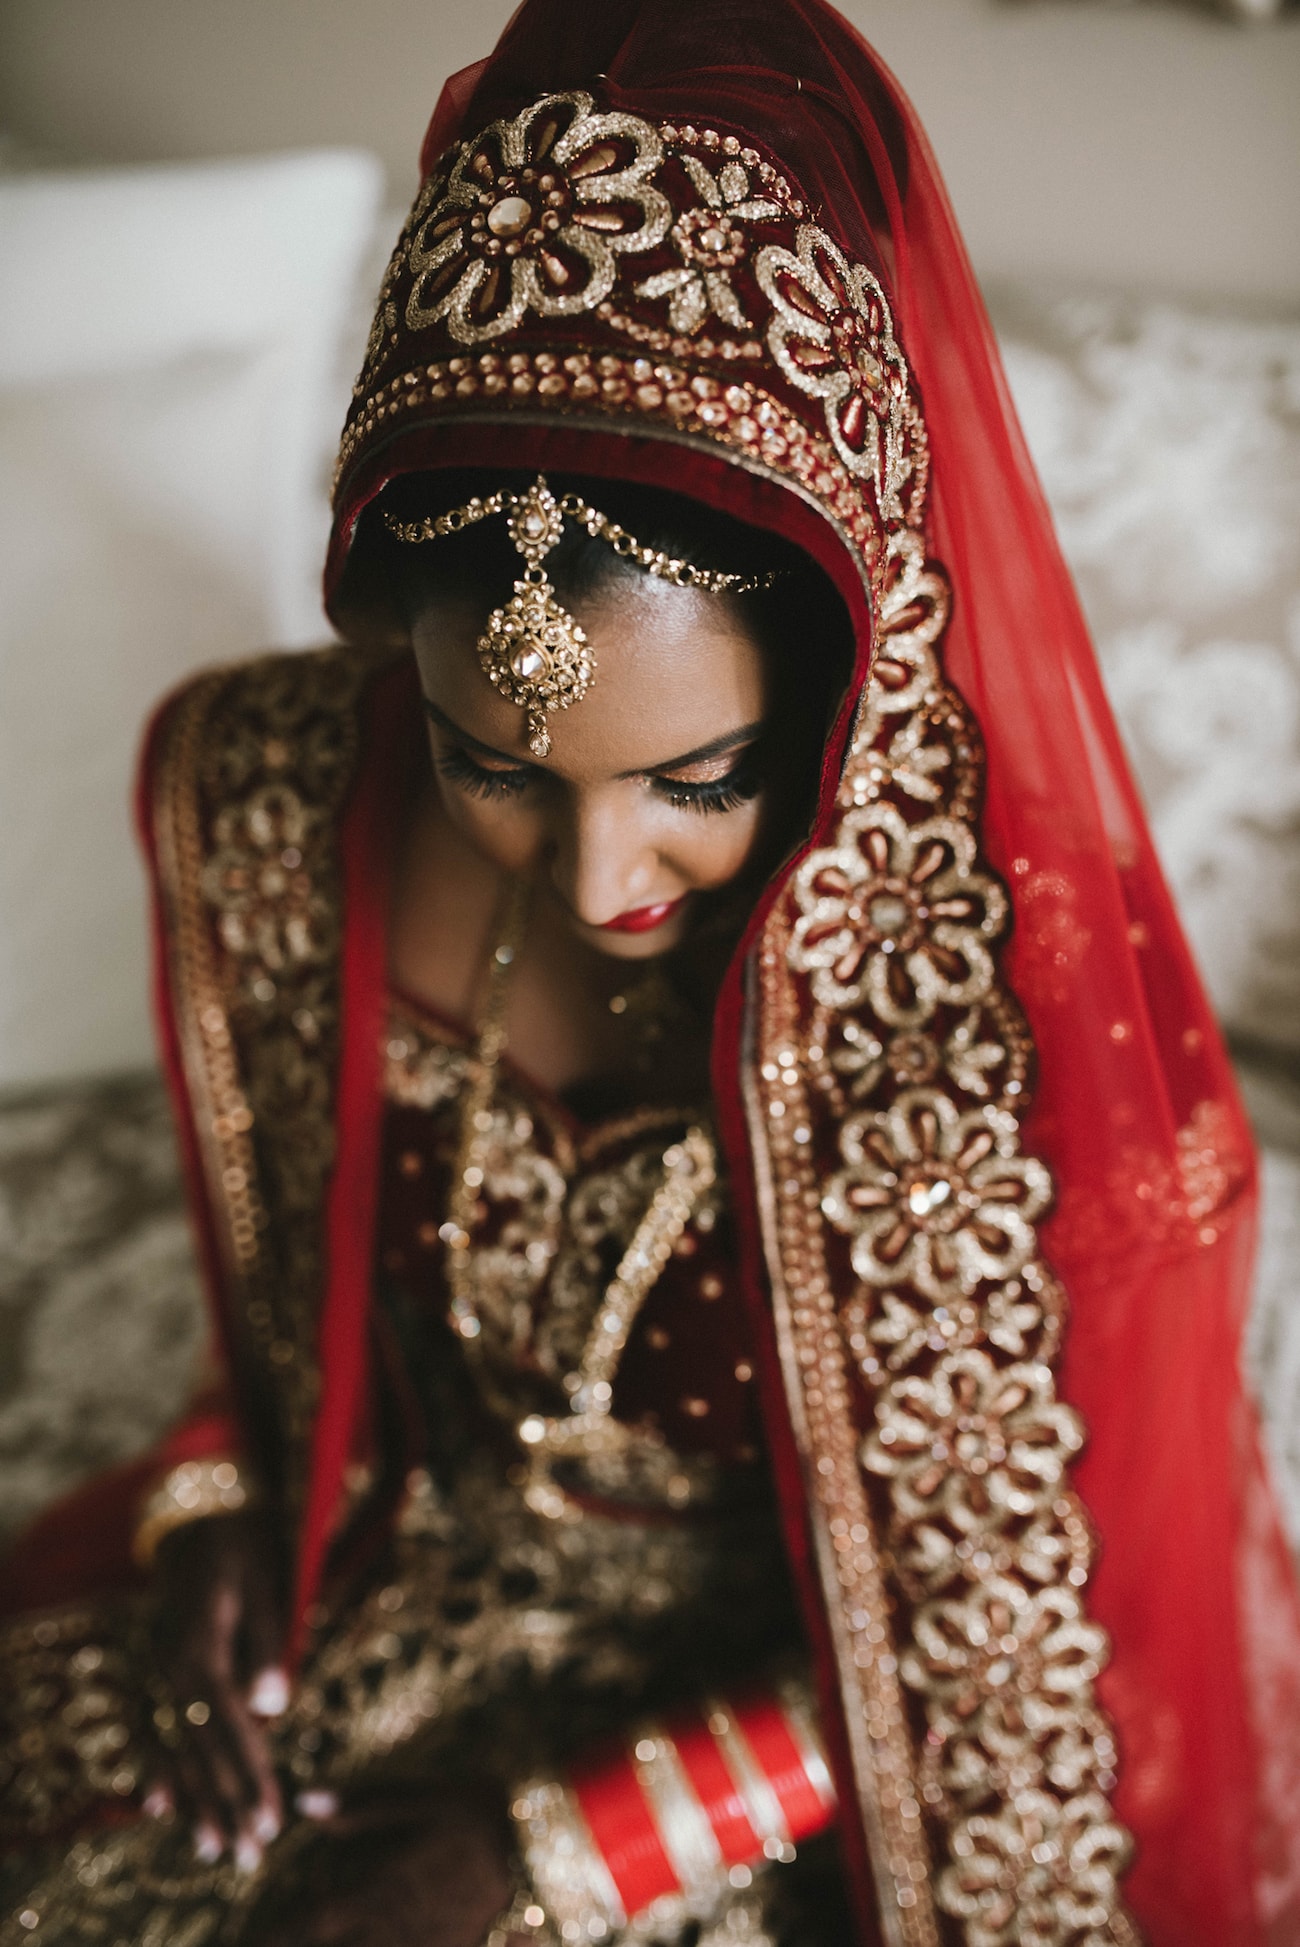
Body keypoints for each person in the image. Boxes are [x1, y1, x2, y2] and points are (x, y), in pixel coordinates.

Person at [2, 1, 1298, 1942]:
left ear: (838, 678)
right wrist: (210, 1507)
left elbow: (1037, 1647)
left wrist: (525, 1859)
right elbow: (294, 1329)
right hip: (400, 1597)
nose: (608, 869)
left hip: (789, 1740)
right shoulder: (273, 805)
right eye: (491, 764)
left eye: (700, 780)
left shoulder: (1031, 1034)